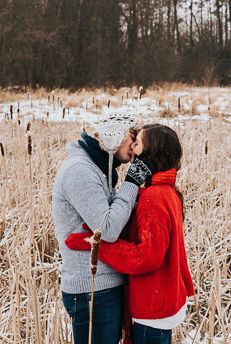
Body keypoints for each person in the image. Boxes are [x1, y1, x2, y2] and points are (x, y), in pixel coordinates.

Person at [65, 123, 195, 344]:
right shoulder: (163, 191)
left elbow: (147, 257)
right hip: (158, 302)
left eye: (137, 142)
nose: (131, 146)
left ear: (150, 153)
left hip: (153, 307)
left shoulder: (154, 197)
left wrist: (97, 245)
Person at [52, 114, 158, 344]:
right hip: (92, 290)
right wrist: (132, 182)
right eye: (133, 137)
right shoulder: (80, 171)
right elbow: (107, 229)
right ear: (115, 136)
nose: (135, 145)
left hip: (103, 287)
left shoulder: (99, 170)